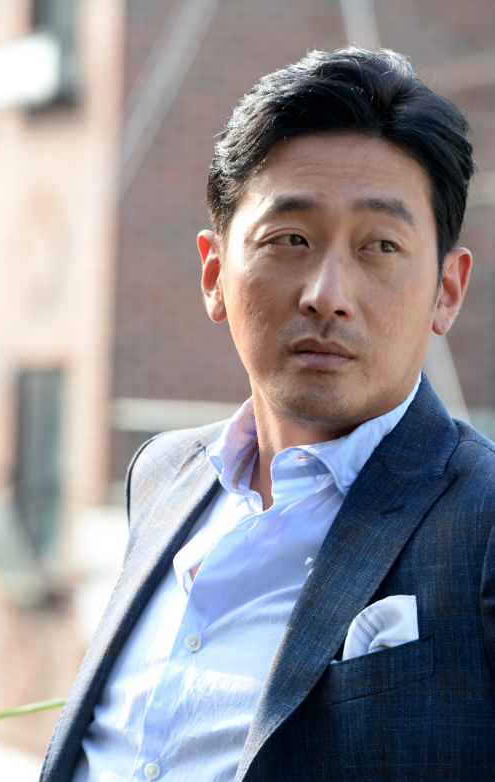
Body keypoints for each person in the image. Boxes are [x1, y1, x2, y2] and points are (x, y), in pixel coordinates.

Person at [41, 48, 495, 782]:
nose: (327, 294)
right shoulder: (163, 476)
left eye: (381, 246)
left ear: (446, 290)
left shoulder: (482, 521)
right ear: (214, 273)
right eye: (290, 240)